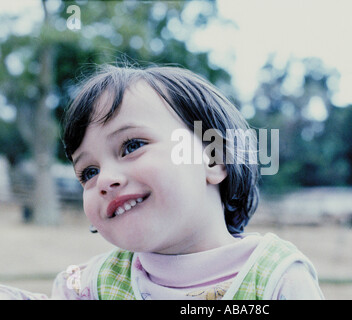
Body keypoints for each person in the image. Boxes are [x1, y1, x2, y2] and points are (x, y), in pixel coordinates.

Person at [1, 64, 324, 300]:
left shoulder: (276, 279)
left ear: (213, 158)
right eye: (88, 171)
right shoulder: (90, 287)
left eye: (132, 146)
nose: (105, 180)